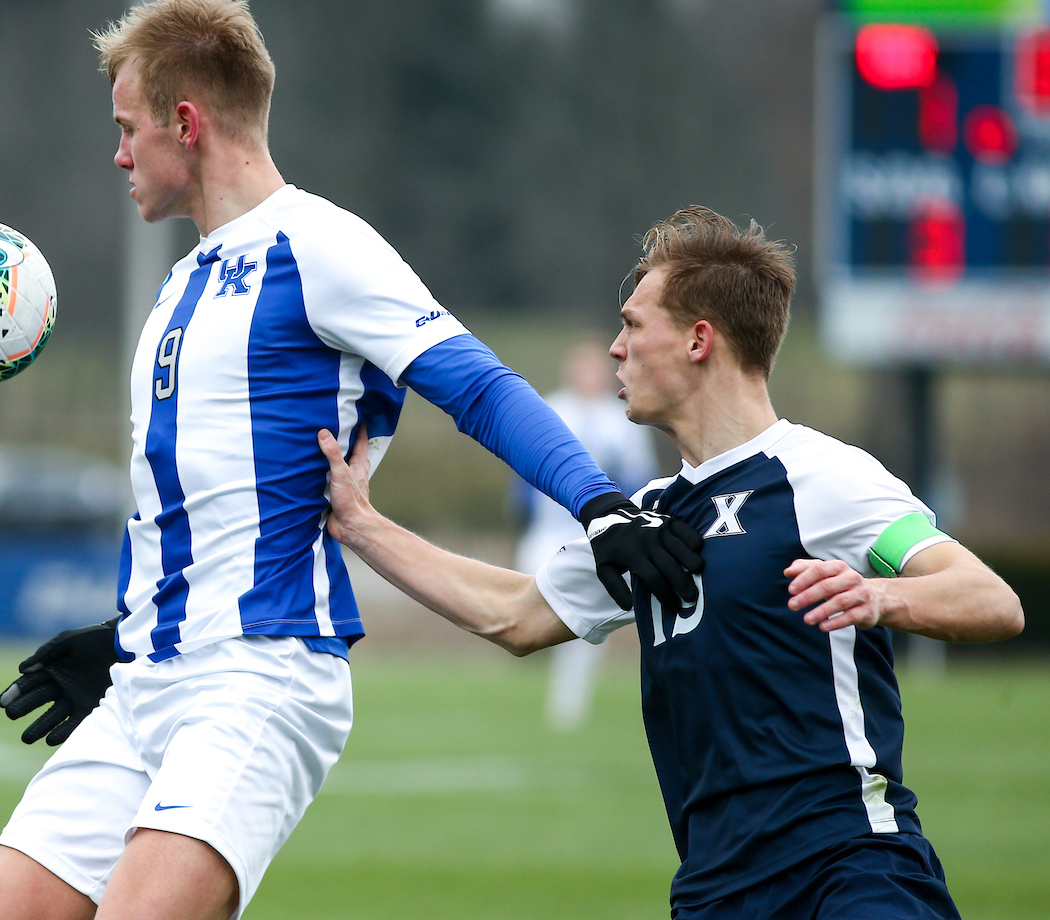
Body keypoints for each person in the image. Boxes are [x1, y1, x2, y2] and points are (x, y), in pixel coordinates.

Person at [0, 0, 703, 920]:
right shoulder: (175, 293)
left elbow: (477, 386)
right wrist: (122, 640)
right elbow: (185, 498)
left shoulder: (319, 246)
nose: (118, 151)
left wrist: (600, 505)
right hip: (148, 682)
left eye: (128, 127)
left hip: (258, 674)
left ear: (186, 122)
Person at [316, 206, 1025, 919]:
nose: (617, 349)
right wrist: (364, 528)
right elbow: (516, 615)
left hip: (849, 872)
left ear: (698, 340)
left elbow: (989, 598)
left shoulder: (823, 477)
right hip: (714, 892)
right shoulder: (649, 517)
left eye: (632, 324)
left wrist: (879, 597)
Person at [510, 341, 656, 729]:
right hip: (546, 532)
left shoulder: (621, 418)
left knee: (583, 617)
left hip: (596, 537)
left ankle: (568, 703)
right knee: (523, 604)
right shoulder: (551, 407)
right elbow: (524, 469)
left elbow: (638, 475)